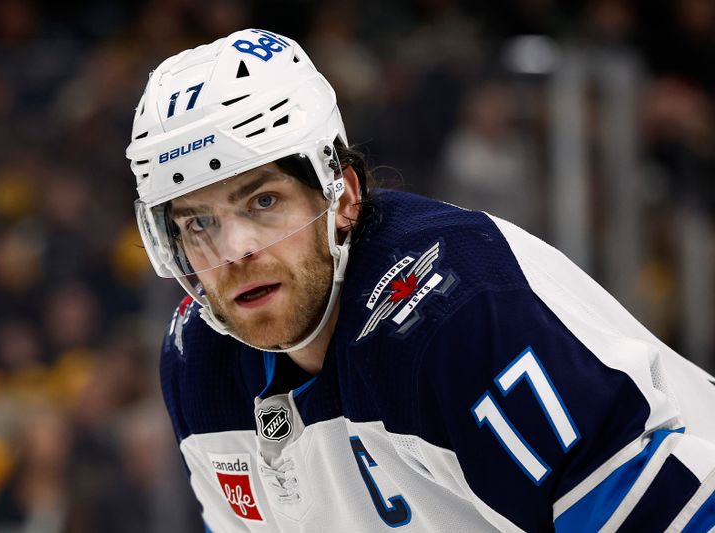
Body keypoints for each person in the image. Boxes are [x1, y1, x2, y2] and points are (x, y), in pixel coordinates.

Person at [126, 29, 715, 532]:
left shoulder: (453, 313)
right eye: (199, 222)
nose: (234, 251)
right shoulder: (199, 364)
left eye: (263, 201)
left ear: (344, 197)